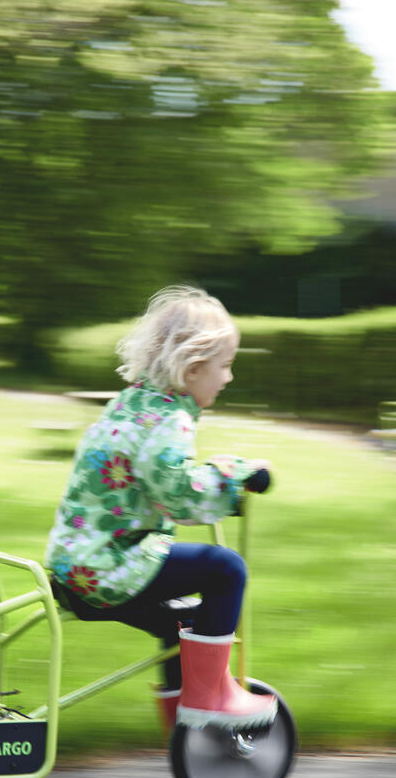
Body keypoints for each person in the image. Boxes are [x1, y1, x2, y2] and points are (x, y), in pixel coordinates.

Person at [45, 284, 277, 736]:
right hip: (106, 567)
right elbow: (179, 494)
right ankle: (209, 697)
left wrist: (219, 471)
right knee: (226, 569)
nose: (228, 377)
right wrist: (233, 478)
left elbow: (158, 476)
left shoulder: (132, 403)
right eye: (225, 365)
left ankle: (186, 730)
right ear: (193, 367)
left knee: (184, 620)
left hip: (76, 563)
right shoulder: (169, 420)